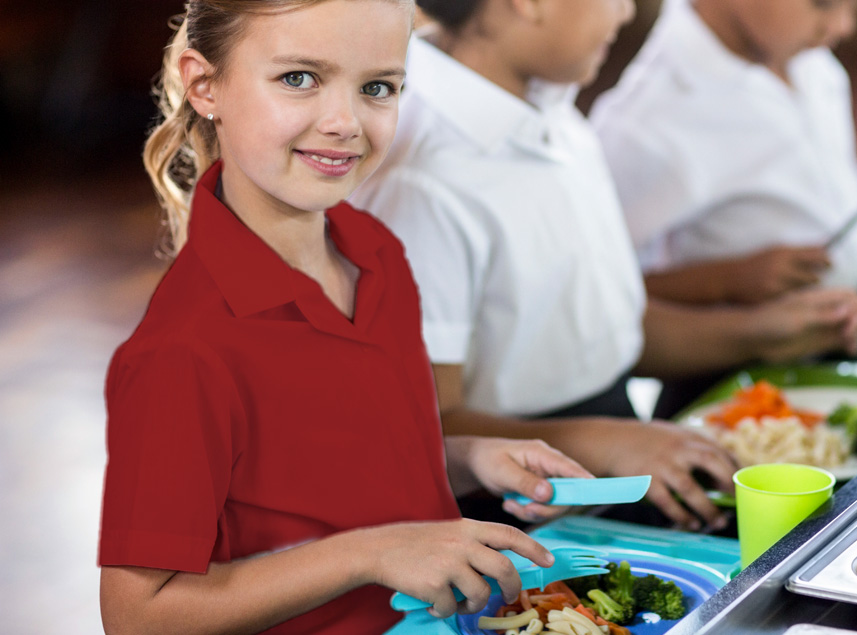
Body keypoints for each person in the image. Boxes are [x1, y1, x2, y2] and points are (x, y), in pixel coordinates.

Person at [98, 2, 592, 633]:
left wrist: (470, 457)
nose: (344, 122)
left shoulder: (375, 254)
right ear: (205, 85)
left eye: (377, 88)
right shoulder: (184, 349)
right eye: (298, 78)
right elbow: (138, 615)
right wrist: (372, 552)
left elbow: (339, 468)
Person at [350, 0, 857, 531]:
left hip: (617, 452)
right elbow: (432, 426)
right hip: (509, 513)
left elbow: (609, 333)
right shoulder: (423, 181)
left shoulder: (552, 112)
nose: (625, 13)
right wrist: (613, 444)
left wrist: (761, 332)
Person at [590, 0, 857, 303]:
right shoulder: (647, 124)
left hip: (835, 330)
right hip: (736, 376)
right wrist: (726, 280)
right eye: (823, 3)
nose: (843, 26)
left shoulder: (808, 59)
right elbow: (602, 290)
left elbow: (790, 199)